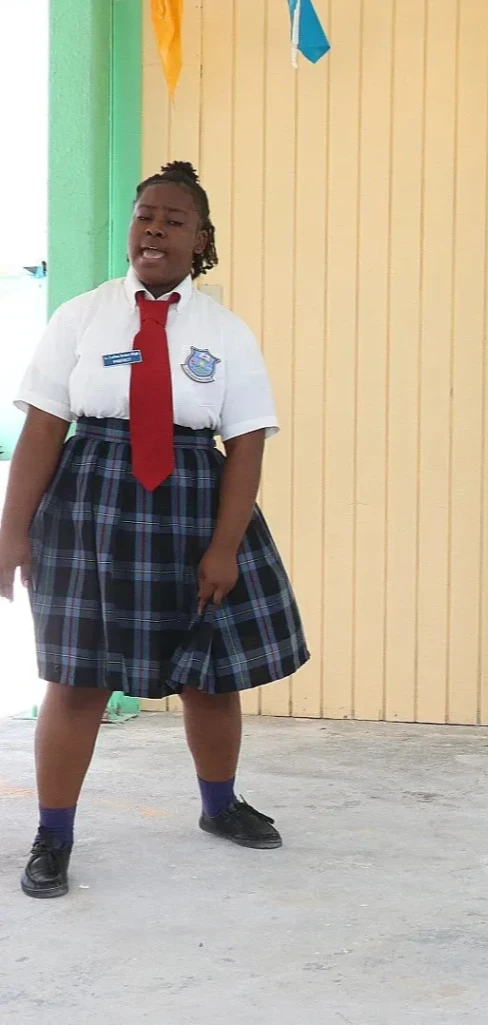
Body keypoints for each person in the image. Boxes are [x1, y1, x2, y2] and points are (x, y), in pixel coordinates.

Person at [0, 161, 310, 899]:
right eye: (145, 215)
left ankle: (219, 805)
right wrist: (11, 533)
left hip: (195, 503)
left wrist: (225, 546)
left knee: (210, 677)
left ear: (201, 238)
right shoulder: (81, 315)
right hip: (90, 506)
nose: (155, 228)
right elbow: (43, 431)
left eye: (174, 219)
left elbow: (248, 443)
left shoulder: (225, 331)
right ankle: (54, 835)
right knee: (76, 679)